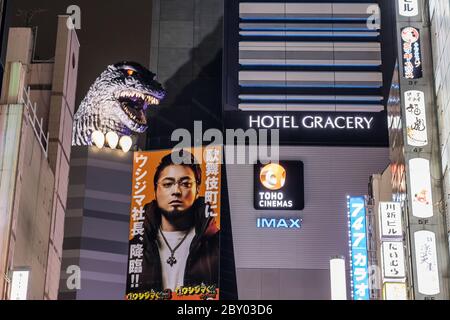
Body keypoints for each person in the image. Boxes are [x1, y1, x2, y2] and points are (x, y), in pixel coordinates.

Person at [129, 150, 219, 294]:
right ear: (155, 190)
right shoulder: (137, 247)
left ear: (197, 190)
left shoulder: (216, 244)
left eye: (185, 184)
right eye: (167, 184)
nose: (176, 191)